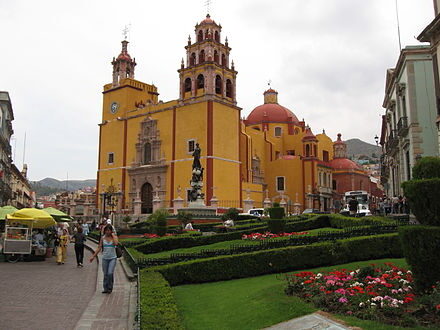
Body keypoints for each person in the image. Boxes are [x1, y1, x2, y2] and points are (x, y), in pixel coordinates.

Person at [89, 224, 119, 294]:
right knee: (105, 274)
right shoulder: (103, 238)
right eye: (106, 230)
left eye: (109, 230)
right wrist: (93, 256)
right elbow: (99, 247)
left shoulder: (114, 237)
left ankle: (110, 287)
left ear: (111, 231)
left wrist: (113, 235)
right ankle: (105, 288)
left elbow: (116, 243)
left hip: (112, 258)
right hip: (105, 258)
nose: (107, 232)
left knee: (110, 273)